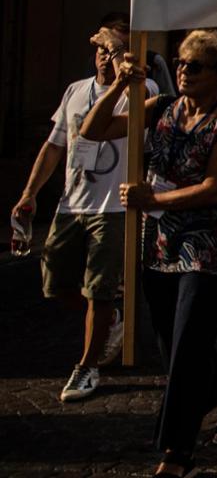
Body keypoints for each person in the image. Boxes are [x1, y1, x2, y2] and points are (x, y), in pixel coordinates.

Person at [109, 30, 217, 478]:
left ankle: (177, 453)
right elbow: (94, 130)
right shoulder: (162, 109)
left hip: (210, 246)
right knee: (176, 344)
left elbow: (214, 189)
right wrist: (119, 85)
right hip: (160, 242)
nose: (183, 71)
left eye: (195, 65)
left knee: (189, 347)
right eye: (180, 62)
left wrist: (151, 199)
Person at [10, 23, 156, 402]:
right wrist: (29, 194)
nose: (107, 57)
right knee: (54, 283)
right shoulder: (75, 91)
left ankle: (87, 365)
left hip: (113, 206)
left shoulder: (143, 89)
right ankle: (113, 320)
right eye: (103, 51)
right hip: (71, 204)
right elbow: (54, 146)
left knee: (99, 289)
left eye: (116, 51)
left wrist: (120, 57)